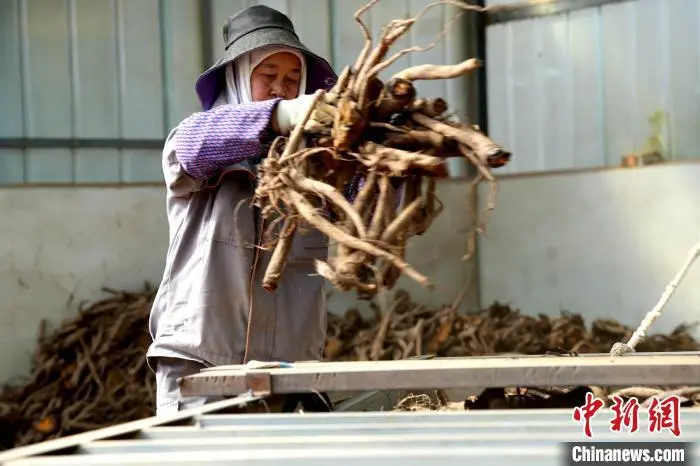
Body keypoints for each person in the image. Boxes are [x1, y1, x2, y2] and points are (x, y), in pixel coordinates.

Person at [145, 5, 345, 416]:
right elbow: (196, 147)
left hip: (289, 374)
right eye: (266, 76)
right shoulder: (196, 139)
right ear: (237, 75)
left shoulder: (314, 164)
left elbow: (367, 201)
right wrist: (282, 116)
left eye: (293, 81)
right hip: (202, 367)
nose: (281, 89)